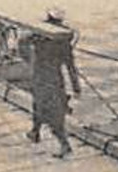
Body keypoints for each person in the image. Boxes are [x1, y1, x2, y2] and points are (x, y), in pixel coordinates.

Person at [24, 10, 82, 157]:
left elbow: (22, 44)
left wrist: (27, 59)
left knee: (51, 112)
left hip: (44, 78)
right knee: (38, 105)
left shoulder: (39, 37)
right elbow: (71, 67)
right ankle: (35, 132)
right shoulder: (63, 42)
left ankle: (65, 145)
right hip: (54, 78)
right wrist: (76, 87)